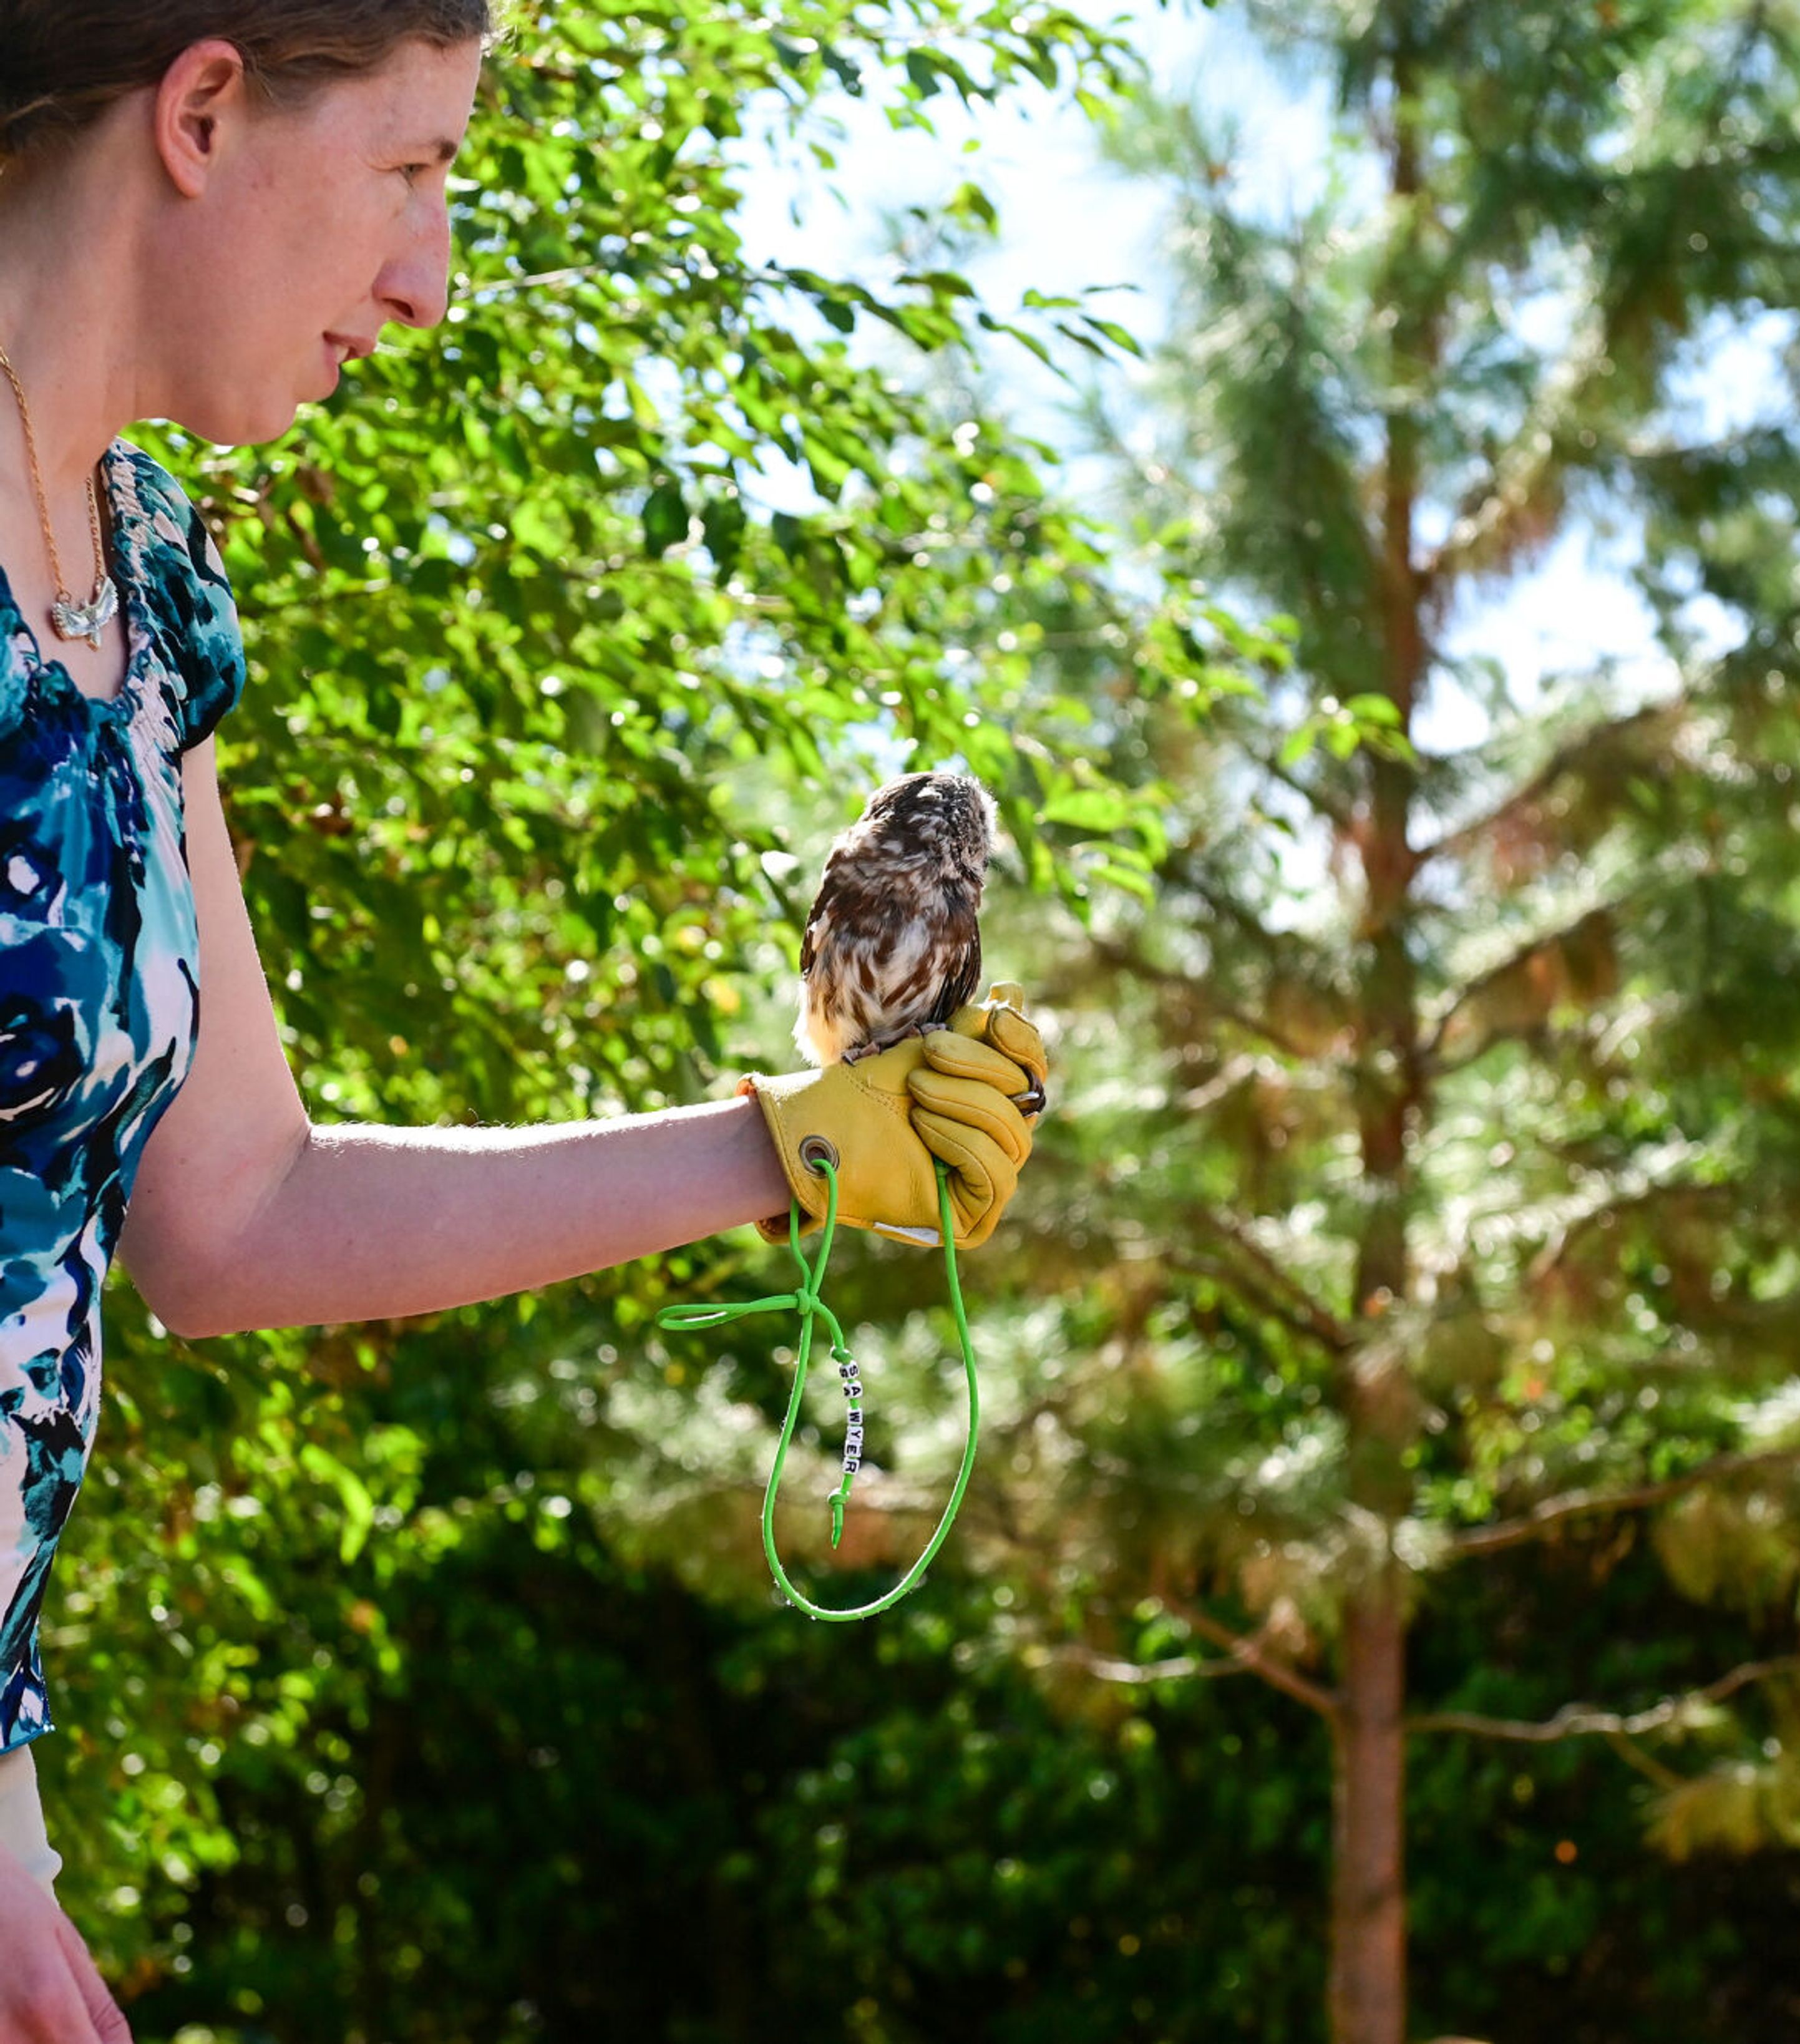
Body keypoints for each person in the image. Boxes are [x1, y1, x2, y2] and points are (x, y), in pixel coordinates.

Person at [0, 5, 1051, 2033]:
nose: (430, 277)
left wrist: (788, 1146)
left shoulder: (143, 589)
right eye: (411, 169)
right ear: (205, 112)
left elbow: (241, 1215)